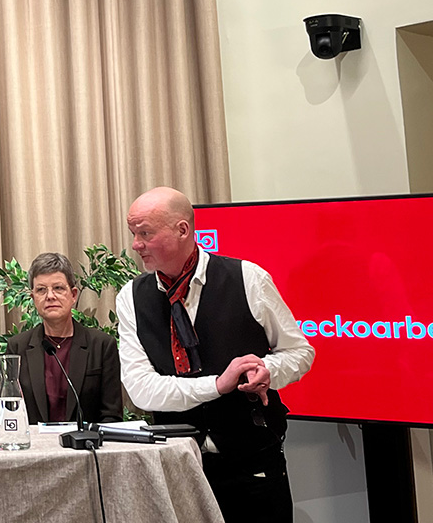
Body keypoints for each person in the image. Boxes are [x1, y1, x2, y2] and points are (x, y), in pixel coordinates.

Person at [116, 187, 314, 523]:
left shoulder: (248, 278)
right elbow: (141, 389)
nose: (136, 244)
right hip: (179, 468)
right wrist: (218, 385)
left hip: (253, 466)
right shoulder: (130, 298)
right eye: (133, 233)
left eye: (145, 233)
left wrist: (267, 369)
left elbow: (299, 352)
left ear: (182, 229)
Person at [5, 252, 122, 424]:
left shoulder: (102, 345)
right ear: (33, 298)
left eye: (58, 288)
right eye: (41, 290)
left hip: (86, 441)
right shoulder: (17, 347)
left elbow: (111, 416)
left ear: (73, 295)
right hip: (34, 441)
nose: (50, 296)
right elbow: (10, 412)